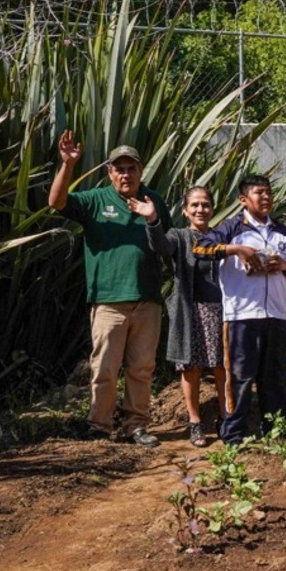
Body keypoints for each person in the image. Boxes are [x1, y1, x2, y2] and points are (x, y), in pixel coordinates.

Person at [48, 131, 171, 448]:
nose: (126, 174)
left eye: (131, 168)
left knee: (141, 368)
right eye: (119, 169)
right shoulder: (95, 200)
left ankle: (136, 425)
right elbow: (56, 202)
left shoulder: (153, 200)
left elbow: (167, 245)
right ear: (109, 173)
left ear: (140, 171)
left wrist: (153, 218)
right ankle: (99, 425)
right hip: (108, 301)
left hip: (147, 300)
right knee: (104, 368)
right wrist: (68, 164)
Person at [194, 174, 286, 444]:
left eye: (268, 192)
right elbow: (200, 249)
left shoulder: (282, 232)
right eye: (259, 193)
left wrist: (284, 266)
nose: (265, 197)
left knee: (275, 376)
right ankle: (234, 435)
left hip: (275, 314)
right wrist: (236, 249)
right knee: (240, 377)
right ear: (244, 199)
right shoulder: (232, 227)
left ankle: (276, 431)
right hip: (241, 315)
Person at [136, 186, 227, 447]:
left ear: (212, 208)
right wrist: (152, 220)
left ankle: (226, 419)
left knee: (223, 367)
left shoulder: (222, 236)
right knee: (191, 367)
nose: (200, 209)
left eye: (205, 204)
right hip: (190, 311)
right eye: (194, 205)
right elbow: (162, 247)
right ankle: (195, 422)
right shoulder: (179, 235)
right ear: (185, 211)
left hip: (221, 310)